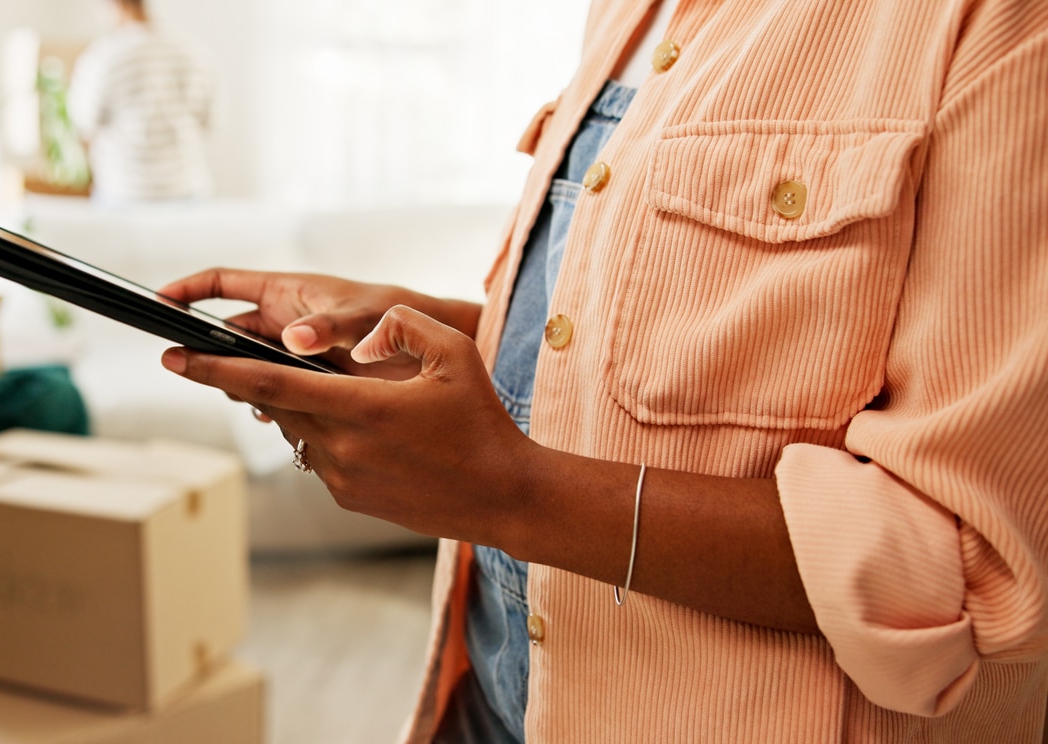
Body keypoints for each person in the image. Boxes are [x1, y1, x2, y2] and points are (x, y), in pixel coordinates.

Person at [158, 0, 1048, 741]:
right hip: (494, 701)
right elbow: (634, 351)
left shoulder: (998, 27)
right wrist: (443, 335)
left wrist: (512, 494)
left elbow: (977, 567)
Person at [67, 0, 213, 204]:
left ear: (118, 6)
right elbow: (209, 118)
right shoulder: (190, 52)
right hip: (186, 189)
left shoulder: (101, 57)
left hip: (123, 191)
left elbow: (83, 122)